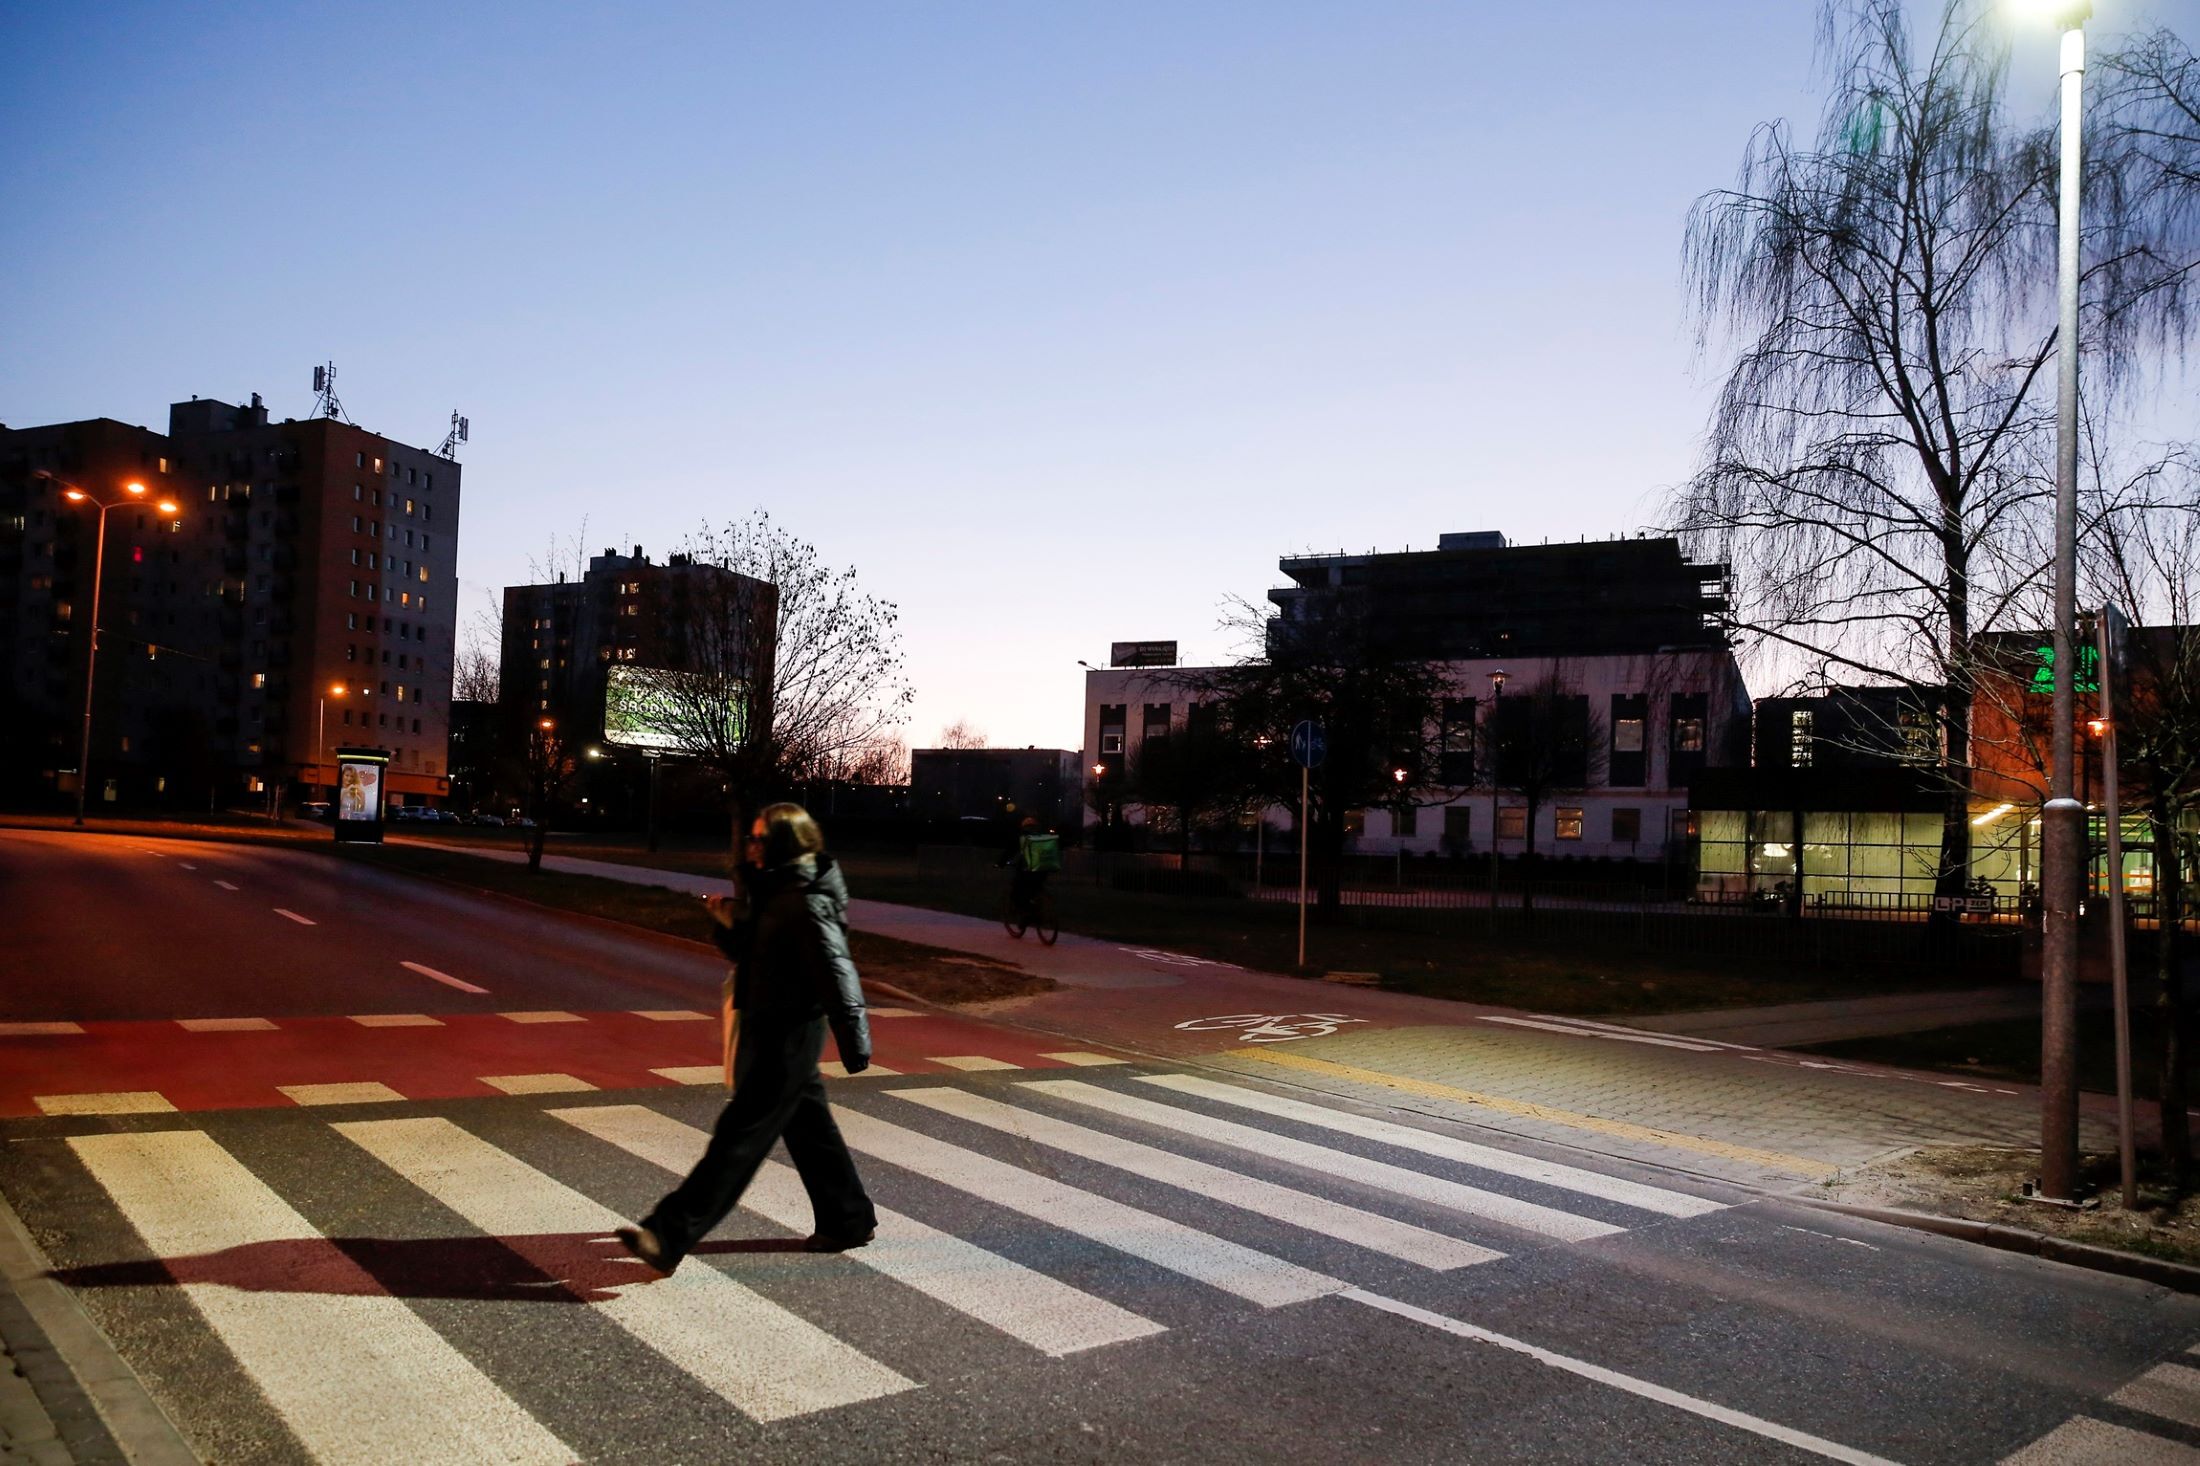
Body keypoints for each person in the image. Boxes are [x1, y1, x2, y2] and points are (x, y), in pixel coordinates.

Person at [617, 803, 877, 1273]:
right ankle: (848, 1218)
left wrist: (854, 1040)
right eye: (751, 837)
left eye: (760, 838)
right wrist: (728, 925)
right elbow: (753, 958)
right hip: (768, 1025)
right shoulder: (775, 891)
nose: (750, 846)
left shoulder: (805, 899)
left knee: (739, 1138)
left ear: (785, 842)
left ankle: (668, 1234)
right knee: (810, 1129)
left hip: (790, 1033)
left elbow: (837, 970)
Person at [1001, 816, 1050, 921]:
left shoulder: (1020, 838)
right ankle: (1038, 910)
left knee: (1016, 892)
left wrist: (1001, 862)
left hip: (1027, 872)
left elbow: (1009, 852)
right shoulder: (1042, 837)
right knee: (1035, 889)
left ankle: (1026, 915)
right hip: (1043, 871)